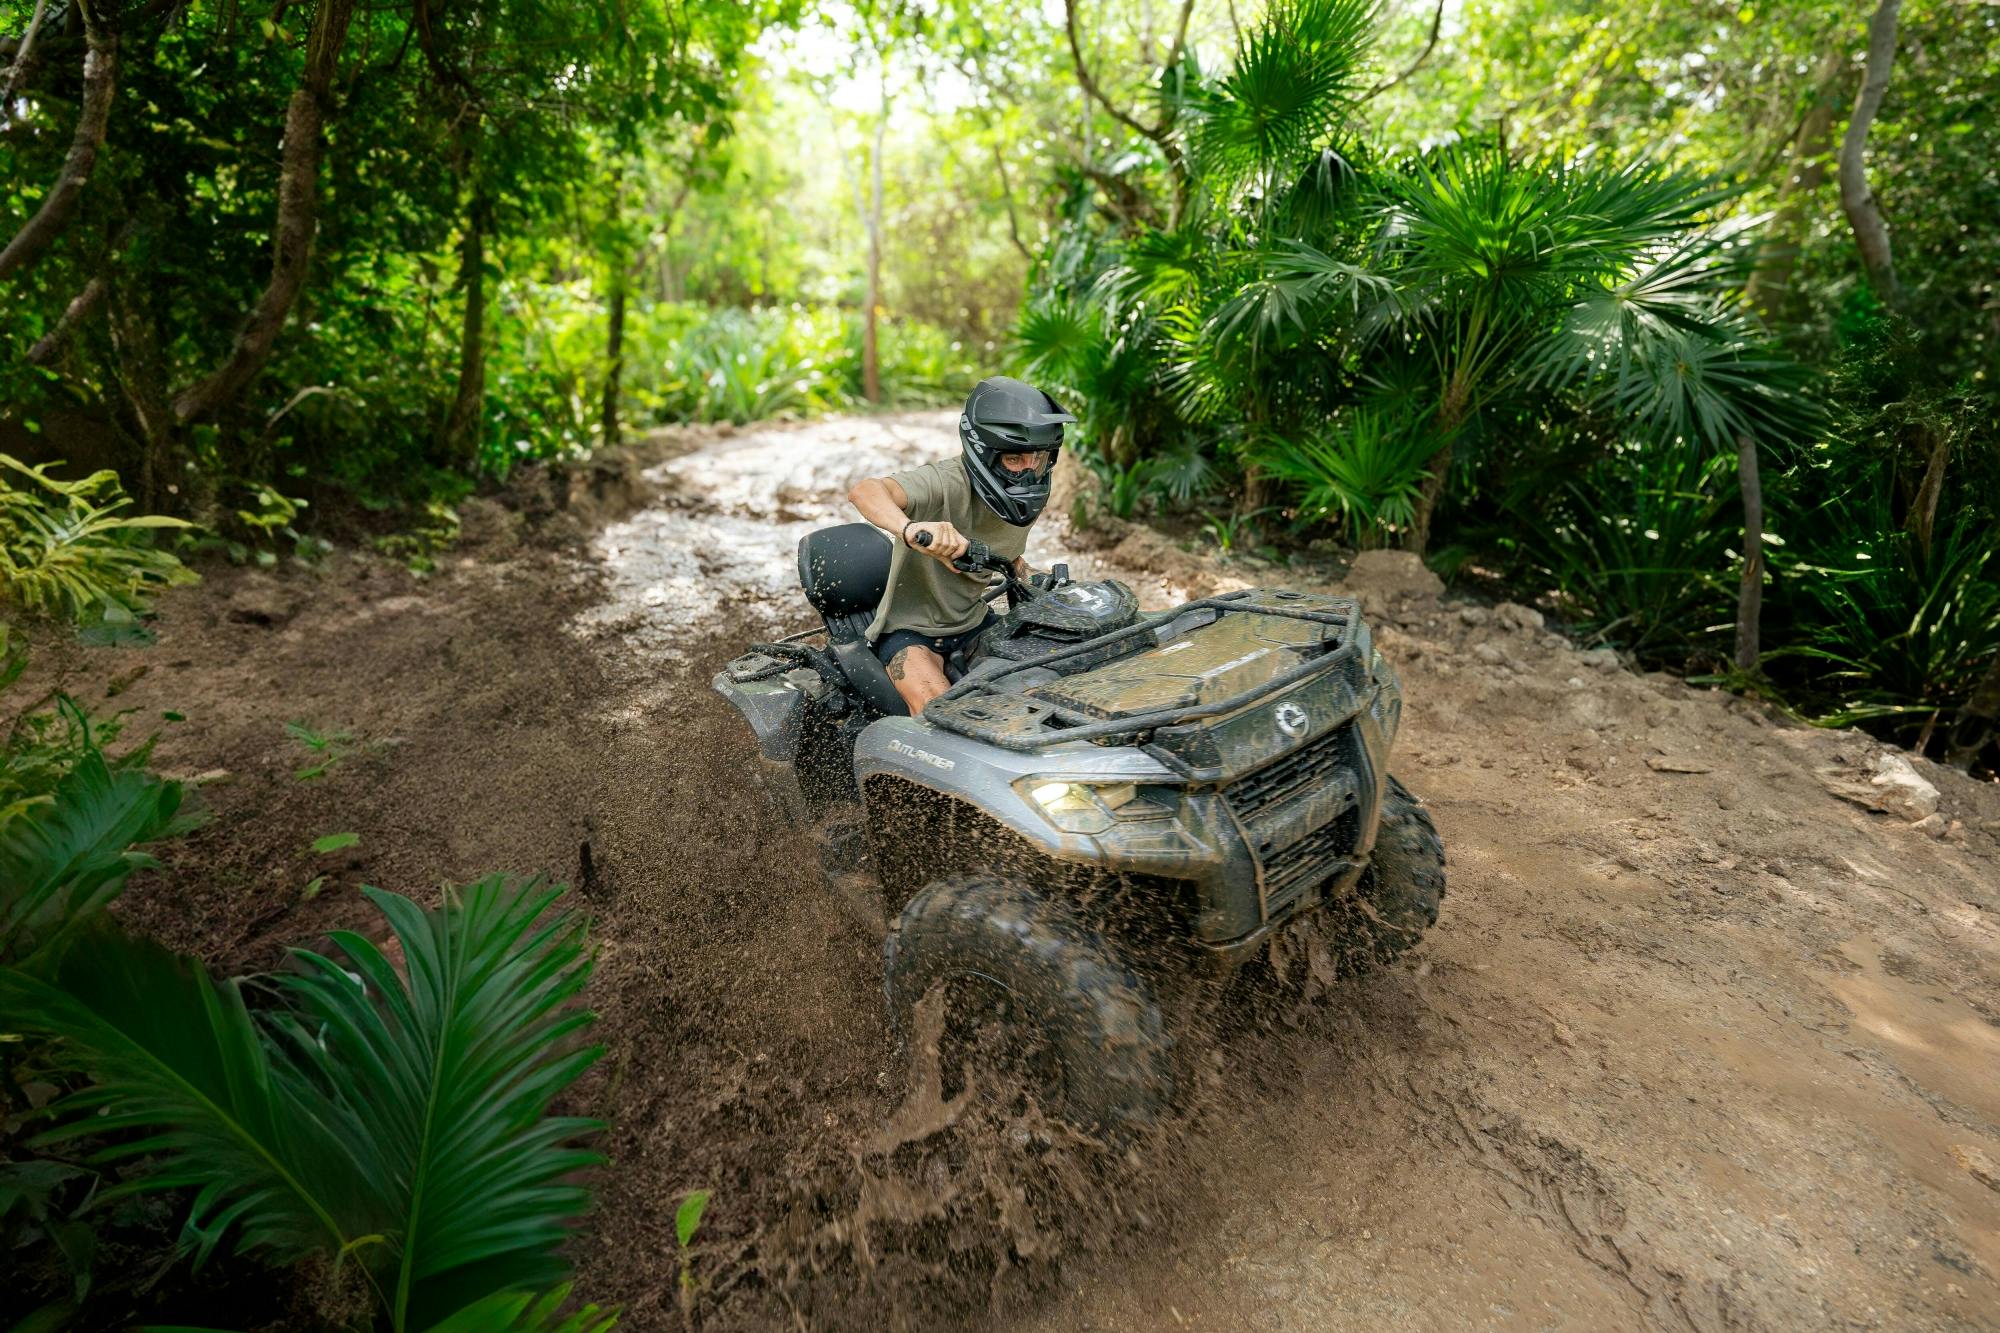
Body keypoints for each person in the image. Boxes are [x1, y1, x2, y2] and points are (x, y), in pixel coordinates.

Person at [847, 376, 1074, 714]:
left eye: (1037, 458)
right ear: (985, 453)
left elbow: (1006, 552)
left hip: (974, 623)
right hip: (911, 634)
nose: (1029, 472)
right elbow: (865, 491)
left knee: (1048, 691)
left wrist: (1029, 574)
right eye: (1014, 460)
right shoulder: (946, 481)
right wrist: (910, 529)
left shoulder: (1022, 495)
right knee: (942, 717)